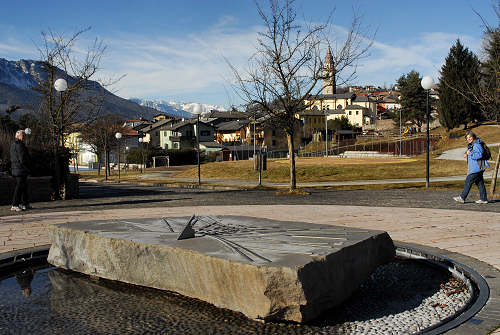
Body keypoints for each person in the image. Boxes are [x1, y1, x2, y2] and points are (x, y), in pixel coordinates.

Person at [453, 131, 489, 204]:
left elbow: (479, 155)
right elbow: (471, 152)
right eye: (467, 138)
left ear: (473, 137)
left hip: (477, 168)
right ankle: (483, 199)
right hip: (477, 168)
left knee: (468, 181)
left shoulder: (476, 144)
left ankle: (462, 197)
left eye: (470, 137)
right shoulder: (472, 145)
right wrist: (466, 153)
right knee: (480, 183)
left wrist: (470, 153)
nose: (468, 139)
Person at [10, 129, 32, 212]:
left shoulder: (13, 145)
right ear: (18, 136)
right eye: (23, 136)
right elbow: (23, 159)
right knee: (19, 187)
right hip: (21, 169)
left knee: (23, 186)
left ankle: (25, 203)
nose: (24, 137)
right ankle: (15, 204)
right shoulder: (20, 145)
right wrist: (28, 168)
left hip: (16, 168)